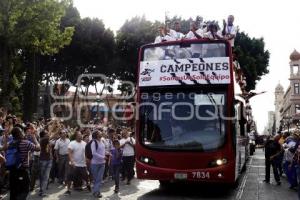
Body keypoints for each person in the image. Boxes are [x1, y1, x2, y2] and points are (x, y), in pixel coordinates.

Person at [2, 126, 40, 200]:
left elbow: (4, 148)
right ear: (19, 134)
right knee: (24, 190)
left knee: (13, 191)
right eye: (21, 132)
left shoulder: (10, 144)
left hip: (12, 171)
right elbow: (38, 148)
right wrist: (34, 138)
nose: (23, 133)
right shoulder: (25, 143)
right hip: (22, 171)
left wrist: (6, 138)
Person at [65, 131, 90, 195]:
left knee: (86, 176)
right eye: (79, 135)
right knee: (70, 177)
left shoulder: (84, 143)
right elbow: (69, 152)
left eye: (81, 134)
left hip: (82, 164)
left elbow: (86, 152)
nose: (81, 136)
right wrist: (72, 161)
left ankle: (88, 185)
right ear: (76, 136)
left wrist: (87, 159)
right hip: (74, 164)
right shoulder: (72, 143)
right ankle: (68, 190)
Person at [90, 130, 106, 198]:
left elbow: (103, 151)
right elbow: (94, 153)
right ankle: (97, 191)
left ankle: (96, 192)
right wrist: (103, 157)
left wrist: (107, 153)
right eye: (99, 133)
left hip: (102, 163)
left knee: (99, 179)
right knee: (96, 179)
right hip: (95, 164)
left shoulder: (102, 141)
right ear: (96, 135)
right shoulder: (94, 142)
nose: (101, 133)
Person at [39, 130, 53, 197]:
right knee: (45, 177)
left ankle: (41, 190)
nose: (48, 134)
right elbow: (52, 134)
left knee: (43, 176)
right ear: (44, 135)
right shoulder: (43, 139)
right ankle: (42, 191)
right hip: (44, 160)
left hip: (47, 160)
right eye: (46, 133)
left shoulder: (46, 140)